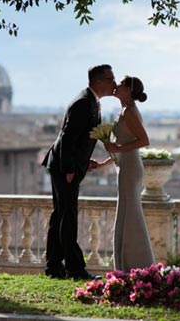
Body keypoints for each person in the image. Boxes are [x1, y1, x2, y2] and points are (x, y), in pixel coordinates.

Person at [42, 64, 116, 280]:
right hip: (64, 168)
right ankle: (75, 268)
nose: (114, 83)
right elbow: (67, 137)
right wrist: (69, 168)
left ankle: (54, 266)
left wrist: (84, 161)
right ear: (97, 81)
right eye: (110, 79)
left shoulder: (91, 101)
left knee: (61, 216)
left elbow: (79, 139)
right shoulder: (84, 102)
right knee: (68, 217)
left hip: (67, 166)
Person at [104, 76, 155, 272]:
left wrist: (116, 149)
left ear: (128, 90)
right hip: (125, 166)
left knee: (131, 212)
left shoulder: (130, 112)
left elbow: (144, 140)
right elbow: (123, 148)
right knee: (127, 212)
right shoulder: (126, 111)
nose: (115, 85)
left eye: (121, 83)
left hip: (131, 168)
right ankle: (129, 265)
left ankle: (136, 265)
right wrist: (104, 163)